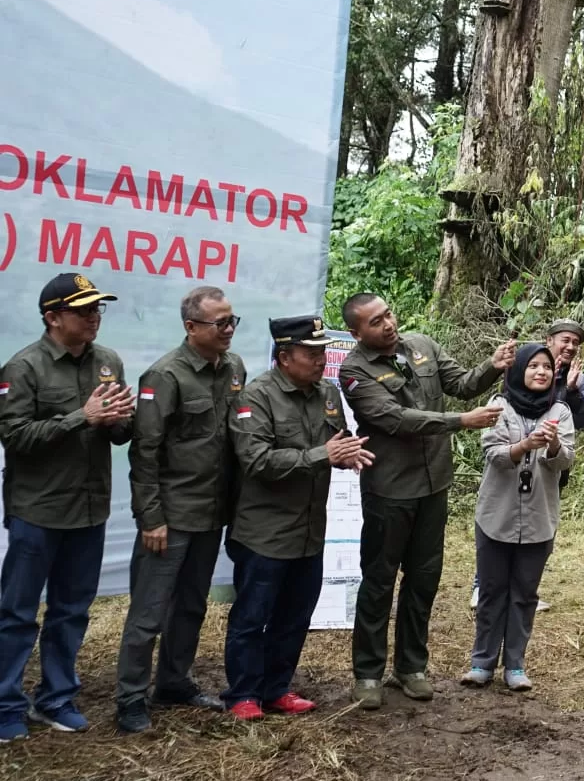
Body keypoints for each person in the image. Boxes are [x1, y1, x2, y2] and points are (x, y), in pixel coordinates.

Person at [338, 293, 513, 710]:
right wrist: (460, 422)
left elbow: (462, 384)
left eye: (389, 315)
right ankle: (367, 673)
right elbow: (395, 419)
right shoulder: (354, 371)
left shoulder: (422, 346)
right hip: (390, 491)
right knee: (379, 582)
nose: (388, 324)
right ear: (356, 332)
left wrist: (493, 365)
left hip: (434, 485)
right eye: (375, 321)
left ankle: (411, 667)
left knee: (423, 579)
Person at [0, 273, 134, 741]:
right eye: (83, 310)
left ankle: (56, 698)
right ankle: (5, 704)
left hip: (89, 508)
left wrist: (120, 421)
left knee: (71, 610)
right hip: (38, 510)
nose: (95, 316)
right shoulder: (24, 367)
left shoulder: (108, 361)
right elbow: (15, 438)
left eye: (98, 308)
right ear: (53, 317)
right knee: (17, 613)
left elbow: (117, 431)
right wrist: (84, 416)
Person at [223, 316, 373, 721]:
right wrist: (324, 455)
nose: (321, 359)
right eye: (312, 353)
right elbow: (257, 461)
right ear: (285, 356)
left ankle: (276, 689)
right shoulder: (255, 398)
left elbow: (337, 442)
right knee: (252, 617)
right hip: (264, 533)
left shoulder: (326, 392)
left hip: (309, 530)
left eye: (324, 351)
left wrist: (348, 455)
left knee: (294, 615)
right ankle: (243, 694)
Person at [114, 287, 245, 733]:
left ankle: (173, 681)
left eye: (232, 321)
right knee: (148, 613)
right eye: (219, 323)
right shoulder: (164, 376)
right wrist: (150, 517)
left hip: (211, 513)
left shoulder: (233, 369)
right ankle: (130, 698)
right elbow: (144, 452)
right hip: (170, 517)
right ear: (191, 327)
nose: (228, 330)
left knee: (191, 606)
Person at [460, 344, 574, 691]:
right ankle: (481, 663)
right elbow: (493, 454)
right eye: (533, 366)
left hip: (539, 517)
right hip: (496, 515)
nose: (540, 372)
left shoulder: (560, 411)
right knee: (492, 591)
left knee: (525, 593)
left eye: (546, 366)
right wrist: (525, 445)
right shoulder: (499, 406)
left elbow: (565, 460)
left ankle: (515, 665)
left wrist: (552, 446)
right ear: (518, 370)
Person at [469, 318, 584, 611]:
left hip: (548, 465)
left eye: (576, 343)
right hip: (511, 462)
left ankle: (524, 590)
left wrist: (573, 392)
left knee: (537, 526)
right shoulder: (524, 367)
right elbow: (504, 406)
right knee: (499, 520)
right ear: (548, 340)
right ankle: (482, 585)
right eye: (565, 340)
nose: (570, 347)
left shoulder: (581, 379)